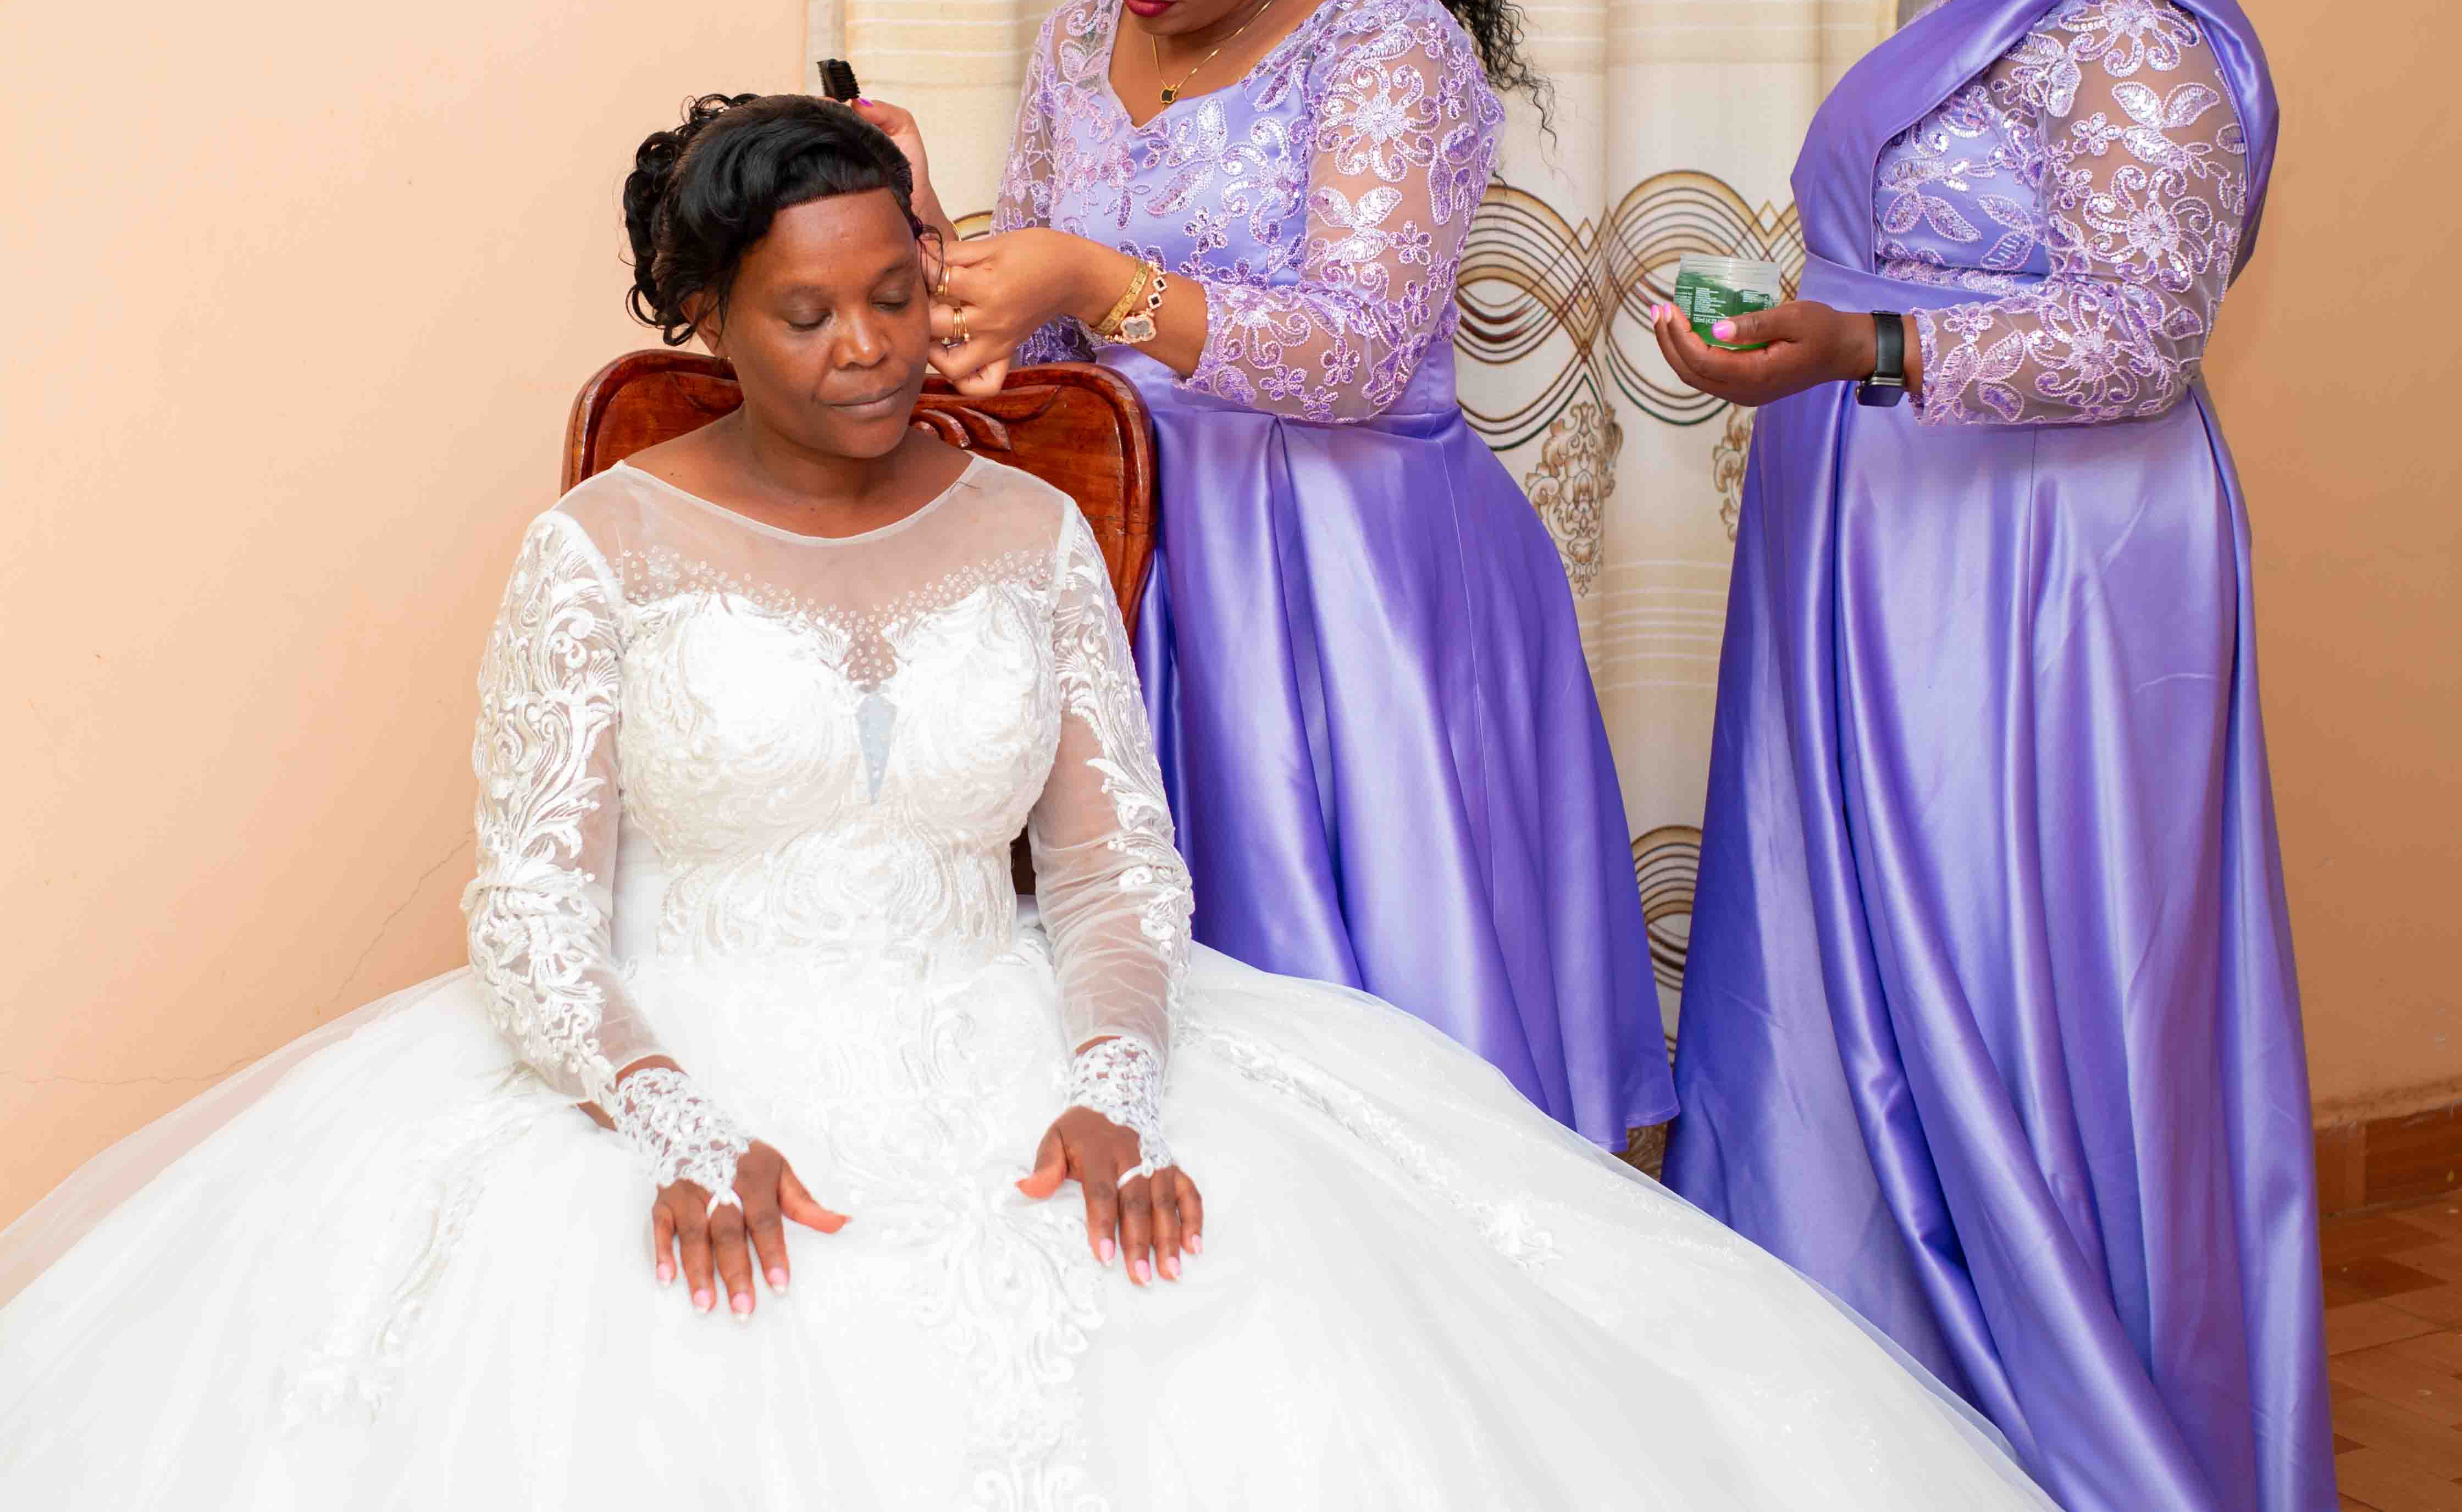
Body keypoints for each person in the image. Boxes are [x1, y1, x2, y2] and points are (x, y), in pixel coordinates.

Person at [0, 93, 2067, 1510]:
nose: (870, 348)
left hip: (1016, 1037)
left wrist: (1118, 1075)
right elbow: (532, 908)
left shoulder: (1024, 526)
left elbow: (1106, 857)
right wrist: (681, 1127)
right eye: (803, 315)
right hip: (669, 1055)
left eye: (899, 293)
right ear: (702, 326)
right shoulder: (605, 551)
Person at [1656, 0, 2333, 1512]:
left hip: (2037, 598)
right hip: (1907, 556)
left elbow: (2139, 334)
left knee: (2007, 994)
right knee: (1859, 982)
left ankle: (2044, 1418)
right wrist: (1804, 329)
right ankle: (1859, 1414)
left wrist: (1859, 345)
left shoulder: (2140, 35)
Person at [855, 0, 1672, 1150]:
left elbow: (1359, 351)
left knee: (1372, 1042)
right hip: (1139, 560)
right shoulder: (1069, 48)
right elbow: (1039, 344)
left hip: (1348, 590)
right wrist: (919, 222)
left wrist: (1101, 276)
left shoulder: (1388, 42)